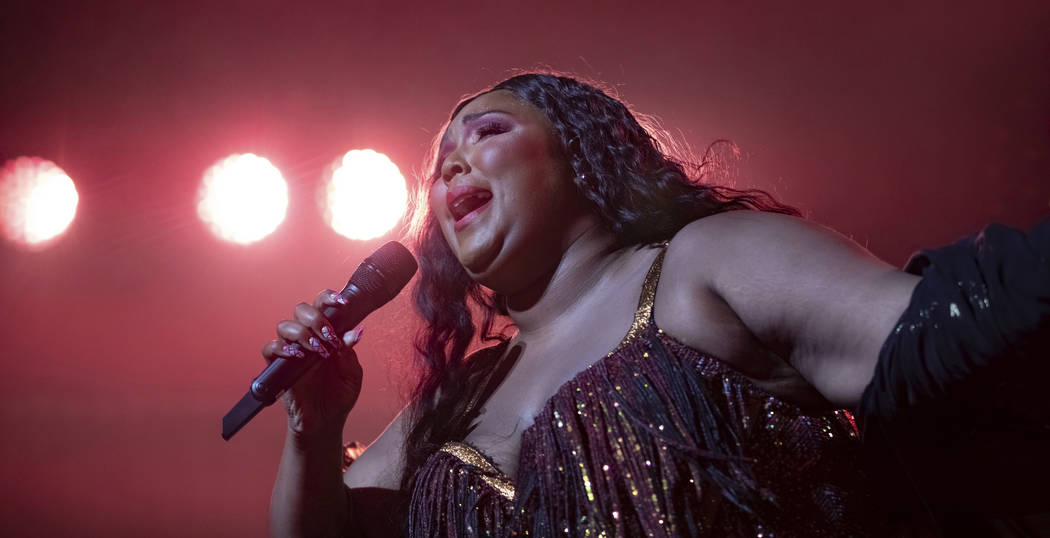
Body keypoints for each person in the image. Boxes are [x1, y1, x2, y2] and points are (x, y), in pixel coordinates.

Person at [265, 73, 1049, 537]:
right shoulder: (457, 401)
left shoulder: (704, 265)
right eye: (440, 164)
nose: (451, 166)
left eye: (488, 130)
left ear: (581, 155)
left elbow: (958, 334)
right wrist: (315, 431)